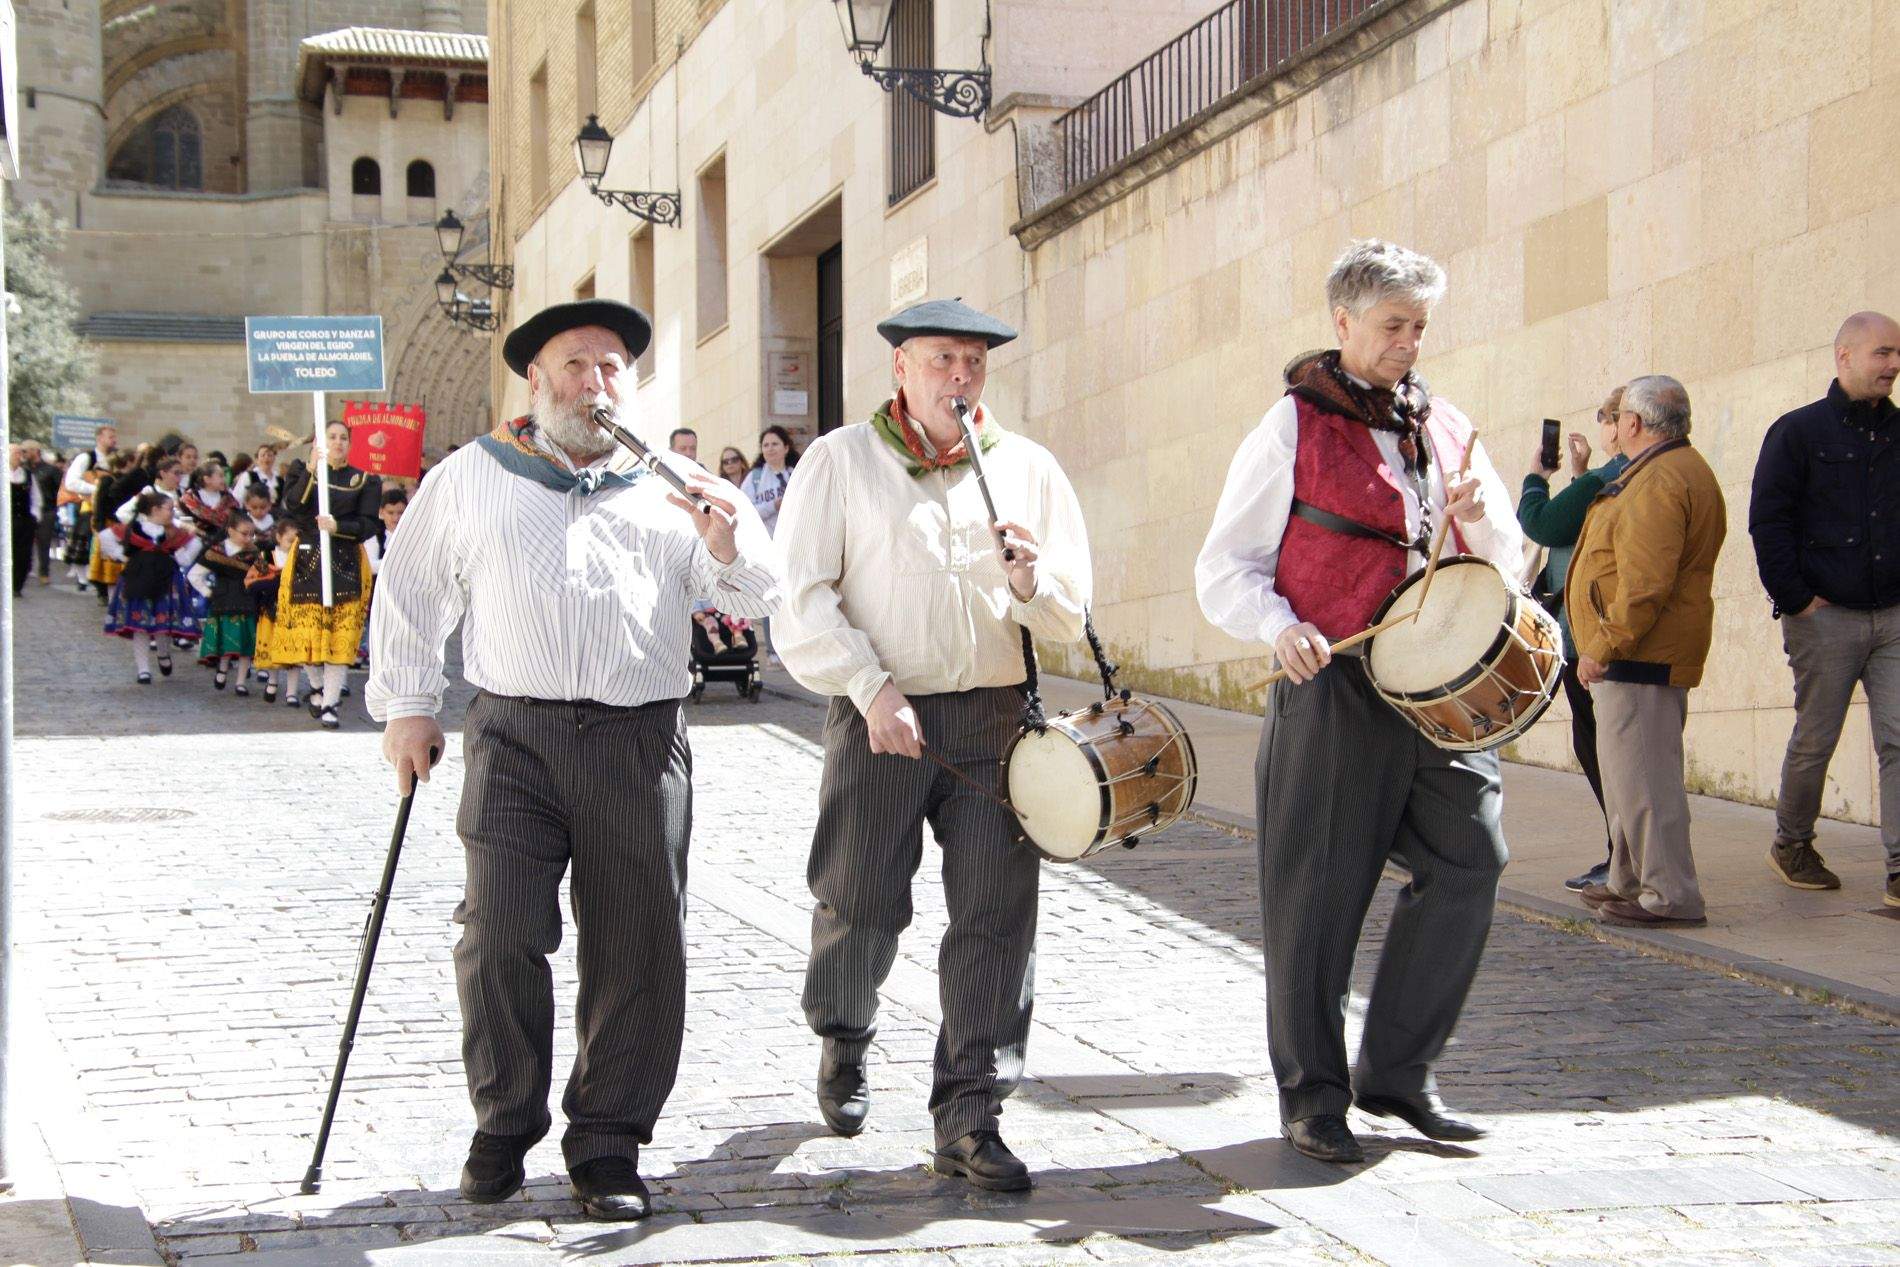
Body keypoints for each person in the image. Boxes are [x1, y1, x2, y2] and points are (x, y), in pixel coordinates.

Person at [368, 298, 780, 1221]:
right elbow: (411, 587)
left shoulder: (672, 481)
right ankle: (504, 1123)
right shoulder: (475, 473)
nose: (594, 383)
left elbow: (754, 595)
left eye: (610, 368)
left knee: (639, 942)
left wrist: (725, 538)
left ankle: (607, 1141)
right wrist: (407, 706)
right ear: (535, 380)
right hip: (513, 736)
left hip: (639, 739)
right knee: (500, 930)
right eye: (574, 365)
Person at [1196, 240, 1524, 1165]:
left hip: (1441, 692)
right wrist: (1276, 625)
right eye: (1393, 325)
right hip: (1333, 685)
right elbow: (1224, 568)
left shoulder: (1449, 424)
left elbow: (1511, 558)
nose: (1410, 343)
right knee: (1317, 897)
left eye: (1420, 327)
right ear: (1342, 323)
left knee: (1472, 858)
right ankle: (1313, 1093)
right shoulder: (1290, 426)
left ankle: (1398, 1073)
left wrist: (1483, 514)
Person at [775, 298, 1091, 1193]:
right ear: (901, 369)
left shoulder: (1025, 467)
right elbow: (801, 596)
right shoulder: (842, 461)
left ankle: (971, 1112)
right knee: (860, 895)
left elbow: (1071, 611)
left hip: (995, 721)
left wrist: (1036, 579)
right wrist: (869, 686)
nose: (961, 377)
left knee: (996, 912)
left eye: (974, 363)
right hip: (880, 712)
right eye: (943, 359)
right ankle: (843, 1031)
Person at [1750, 311, 1900, 908]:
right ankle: (1792, 844)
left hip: (1894, 616)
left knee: (1898, 739)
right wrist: (1796, 600)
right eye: (1882, 353)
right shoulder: (1797, 433)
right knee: (1817, 738)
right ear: (1844, 356)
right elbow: (1769, 522)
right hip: (1824, 615)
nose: (1893, 365)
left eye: (1896, 356)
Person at [1569, 375, 1726, 928]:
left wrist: (1604, 646)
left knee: (1646, 780)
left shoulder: (1661, 478)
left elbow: (1645, 584)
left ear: (1633, 423)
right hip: (1636, 652)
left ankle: (1670, 894)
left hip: (1638, 654)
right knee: (1628, 777)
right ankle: (1632, 881)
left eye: (1618, 419)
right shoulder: (1662, 471)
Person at [1517, 390, 1631, 892]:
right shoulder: (1619, 477)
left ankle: (1623, 856)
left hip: (1588, 638)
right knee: (1612, 750)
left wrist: (1537, 478)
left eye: (1605, 417)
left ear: (1622, 424)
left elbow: (1542, 522)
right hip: (1599, 633)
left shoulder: (1610, 477)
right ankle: (1626, 854)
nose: (1604, 426)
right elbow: (1578, 531)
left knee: (1602, 750)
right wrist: (1578, 475)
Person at [275, 421, 382, 731]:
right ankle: (318, 685)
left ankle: (332, 702)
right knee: (305, 631)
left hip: (345, 560)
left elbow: (368, 525)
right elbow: (294, 507)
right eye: (331, 437)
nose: (337, 443)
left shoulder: (364, 480)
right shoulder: (301, 470)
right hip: (308, 558)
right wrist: (310, 469)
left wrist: (339, 527)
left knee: (339, 635)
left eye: (343, 438)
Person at [99, 491, 204, 681]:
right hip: (138, 578)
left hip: (166, 579)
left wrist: (183, 557)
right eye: (169, 508)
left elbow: (195, 542)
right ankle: (143, 669)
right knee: (140, 624)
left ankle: (163, 653)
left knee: (163, 620)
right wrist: (121, 555)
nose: (172, 512)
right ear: (155, 510)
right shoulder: (135, 528)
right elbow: (105, 536)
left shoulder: (173, 530)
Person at [190, 517, 262, 692]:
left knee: (246, 643)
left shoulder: (254, 553)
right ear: (230, 531)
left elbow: (263, 576)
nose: (248, 538)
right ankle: (222, 669)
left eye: (252, 535)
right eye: (244, 534)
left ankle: (240, 682)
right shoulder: (216, 551)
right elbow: (194, 575)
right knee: (225, 640)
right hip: (223, 601)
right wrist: (209, 593)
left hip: (247, 601)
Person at [248, 521, 296, 703]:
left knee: (293, 649)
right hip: (270, 609)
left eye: (296, 541)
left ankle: (291, 691)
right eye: (289, 540)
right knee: (271, 647)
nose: (293, 545)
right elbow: (251, 581)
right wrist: (271, 583)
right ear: (279, 538)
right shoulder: (266, 557)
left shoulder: (302, 558)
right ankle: (273, 681)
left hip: (294, 611)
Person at [86, 452, 137, 602]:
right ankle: (103, 593)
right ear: (126, 463)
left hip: (123, 524)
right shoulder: (108, 480)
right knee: (106, 560)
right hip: (109, 523)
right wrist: (100, 525)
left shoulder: (128, 481)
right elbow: (100, 504)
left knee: (120, 559)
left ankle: (118, 592)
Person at [741, 426, 798, 536]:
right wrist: (773, 506)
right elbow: (744, 513)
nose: (770, 448)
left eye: (775, 444)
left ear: (786, 448)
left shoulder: (796, 475)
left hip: (794, 541)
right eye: (766, 445)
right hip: (764, 544)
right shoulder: (754, 478)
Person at [20, 442, 61, 586]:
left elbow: (59, 489)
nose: (23, 454)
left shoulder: (51, 470)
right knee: (24, 541)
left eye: (25, 451)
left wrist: (56, 506)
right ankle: (26, 569)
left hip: (47, 510)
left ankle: (44, 572)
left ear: (35, 451)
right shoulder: (23, 469)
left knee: (44, 543)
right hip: (27, 511)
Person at [8, 445, 34, 597]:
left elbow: (36, 498)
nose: (19, 455)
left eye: (20, 452)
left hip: (24, 520)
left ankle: (17, 585)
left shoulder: (27, 474)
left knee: (22, 554)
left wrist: (34, 516)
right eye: (16, 452)